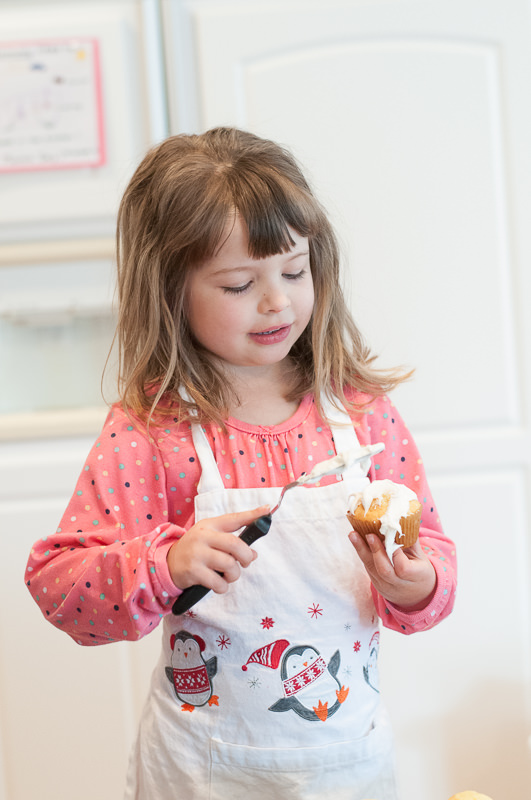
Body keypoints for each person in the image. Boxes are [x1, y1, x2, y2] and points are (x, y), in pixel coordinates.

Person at [25, 127, 457, 800]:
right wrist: (164, 564)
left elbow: (431, 553)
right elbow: (62, 589)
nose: (276, 300)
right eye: (237, 284)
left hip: (347, 763)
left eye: (294, 271)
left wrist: (415, 584)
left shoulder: (361, 415)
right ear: (170, 291)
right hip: (204, 771)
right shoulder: (153, 432)